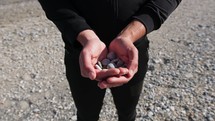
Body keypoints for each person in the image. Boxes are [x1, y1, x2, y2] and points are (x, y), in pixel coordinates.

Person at [38, 0, 181, 121]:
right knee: (86, 115)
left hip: (130, 52)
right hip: (82, 52)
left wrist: (131, 33)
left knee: (128, 113)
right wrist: (84, 35)